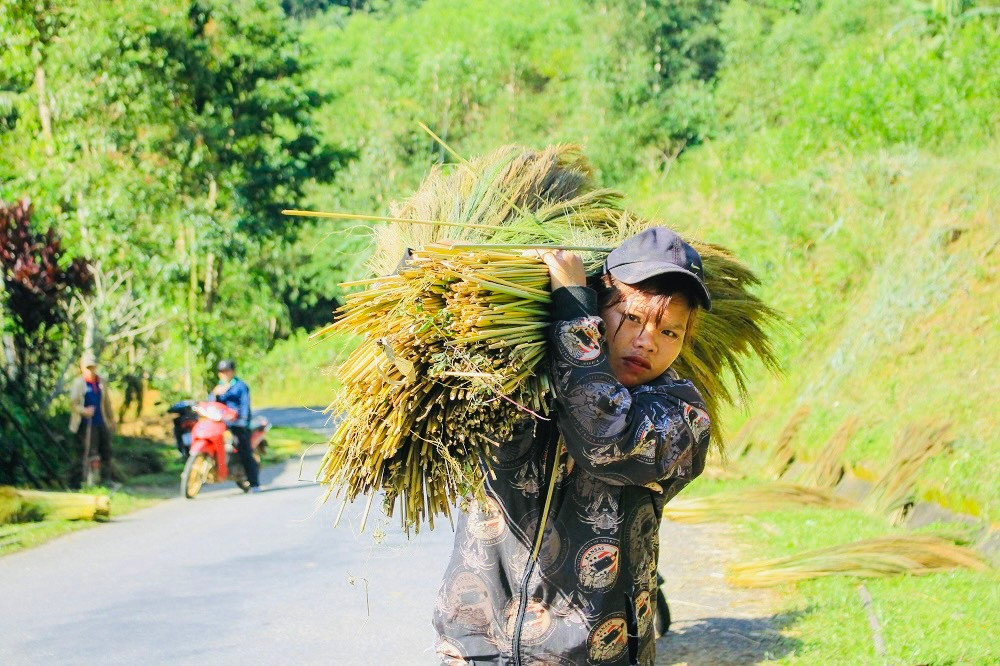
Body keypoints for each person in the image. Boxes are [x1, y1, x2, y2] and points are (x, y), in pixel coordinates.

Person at [433, 227, 713, 665]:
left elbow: (606, 439)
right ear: (600, 302)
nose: (647, 342)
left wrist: (573, 314)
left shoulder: (681, 417)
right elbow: (430, 364)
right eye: (633, 317)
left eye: (670, 333)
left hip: (589, 653)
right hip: (477, 641)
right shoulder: (521, 374)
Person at [211, 359, 260, 492]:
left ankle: (254, 484)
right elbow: (212, 405)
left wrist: (242, 420)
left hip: (238, 423)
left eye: (227, 371)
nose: (224, 374)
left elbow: (245, 406)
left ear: (233, 372)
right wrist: (214, 395)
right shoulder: (218, 388)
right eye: (222, 372)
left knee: (244, 451)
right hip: (221, 423)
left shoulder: (240, 386)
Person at [68, 351, 116, 487]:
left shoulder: (101, 382)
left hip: (101, 421)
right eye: (88, 368)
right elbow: (73, 404)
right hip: (86, 424)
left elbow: (107, 403)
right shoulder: (79, 383)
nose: (91, 370)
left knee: (106, 451)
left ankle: (106, 480)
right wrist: (84, 411)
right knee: (90, 452)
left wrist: (111, 419)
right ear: (82, 367)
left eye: (92, 367)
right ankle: (87, 482)